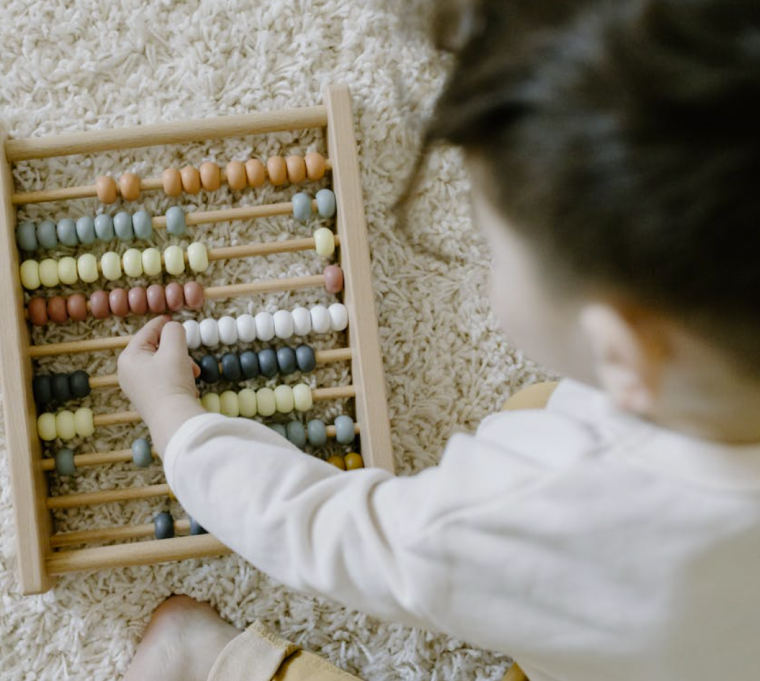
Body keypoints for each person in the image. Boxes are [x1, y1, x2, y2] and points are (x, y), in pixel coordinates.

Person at [117, 1, 760, 679]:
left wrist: (177, 423)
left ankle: (220, 660)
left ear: (624, 351)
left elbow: (320, 528)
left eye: (498, 250)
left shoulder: (528, 511)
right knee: (536, 410)